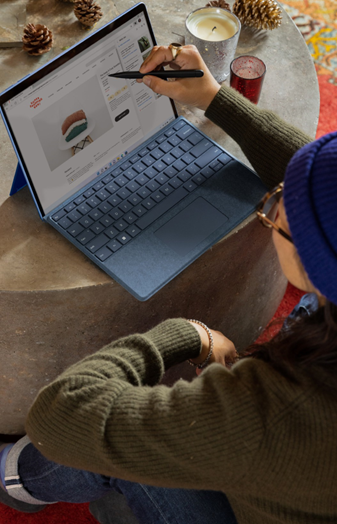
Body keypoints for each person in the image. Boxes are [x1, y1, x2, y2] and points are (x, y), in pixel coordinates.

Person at [1, 44, 337, 524]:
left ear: (309, 261)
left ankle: (16, 479)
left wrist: (185, 333)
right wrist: (215, 97)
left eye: (280, 213)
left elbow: (60, 417)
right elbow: (320, 183)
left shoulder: (275, 411)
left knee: (122, 450)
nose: (278, 202)